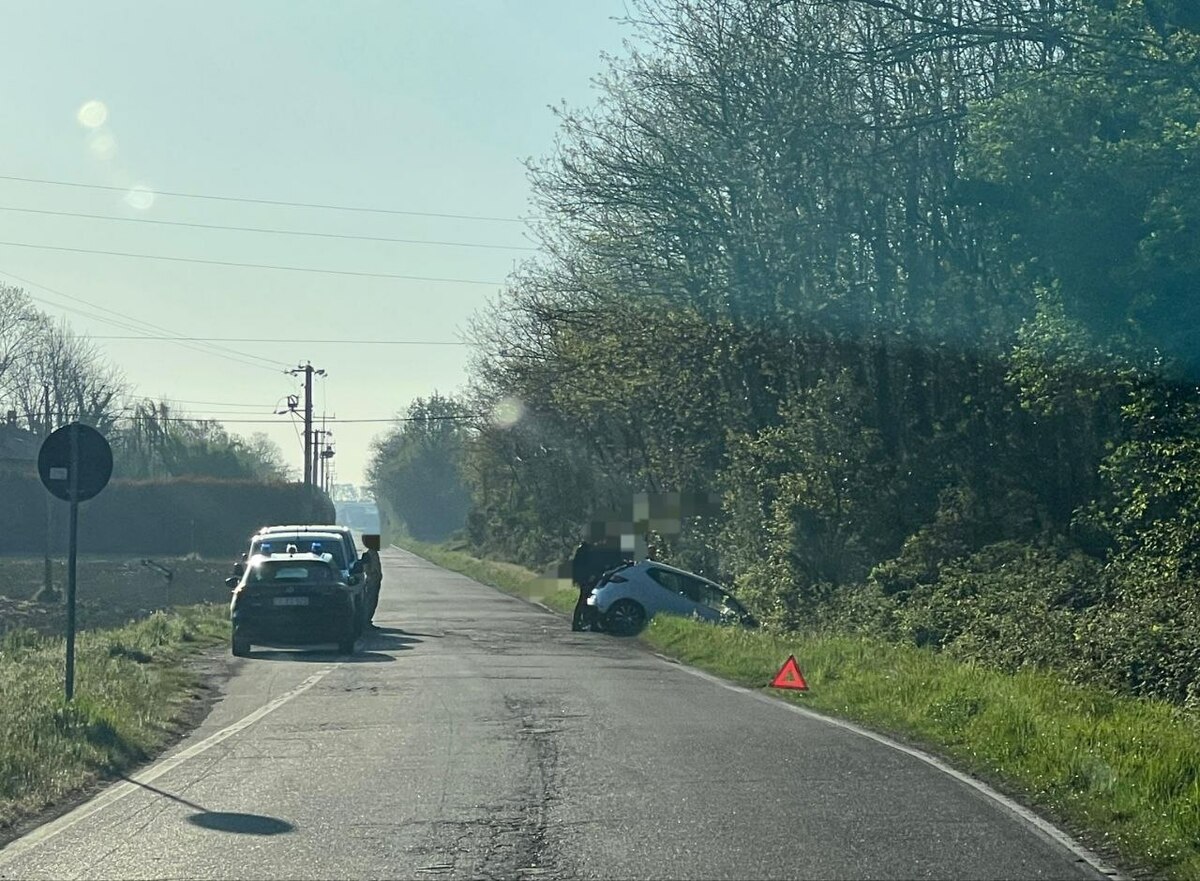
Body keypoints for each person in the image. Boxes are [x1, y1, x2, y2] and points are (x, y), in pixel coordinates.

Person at [570, 541, 594, 632]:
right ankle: (577, 623)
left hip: (582, 578)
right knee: (583, 600)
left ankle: (579, 622)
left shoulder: (581, 550)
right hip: (585, 578)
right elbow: (586, 566)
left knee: (583, 600)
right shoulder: (585, 551)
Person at [361, 534, 383, 628]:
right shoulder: (367, 555)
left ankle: (368, 620)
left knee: (373, 601)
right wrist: (373, 574)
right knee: (369, 601)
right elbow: (366, 569)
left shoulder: (374, 553)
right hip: (371, 581)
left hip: (375, 580)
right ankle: (366, 621)